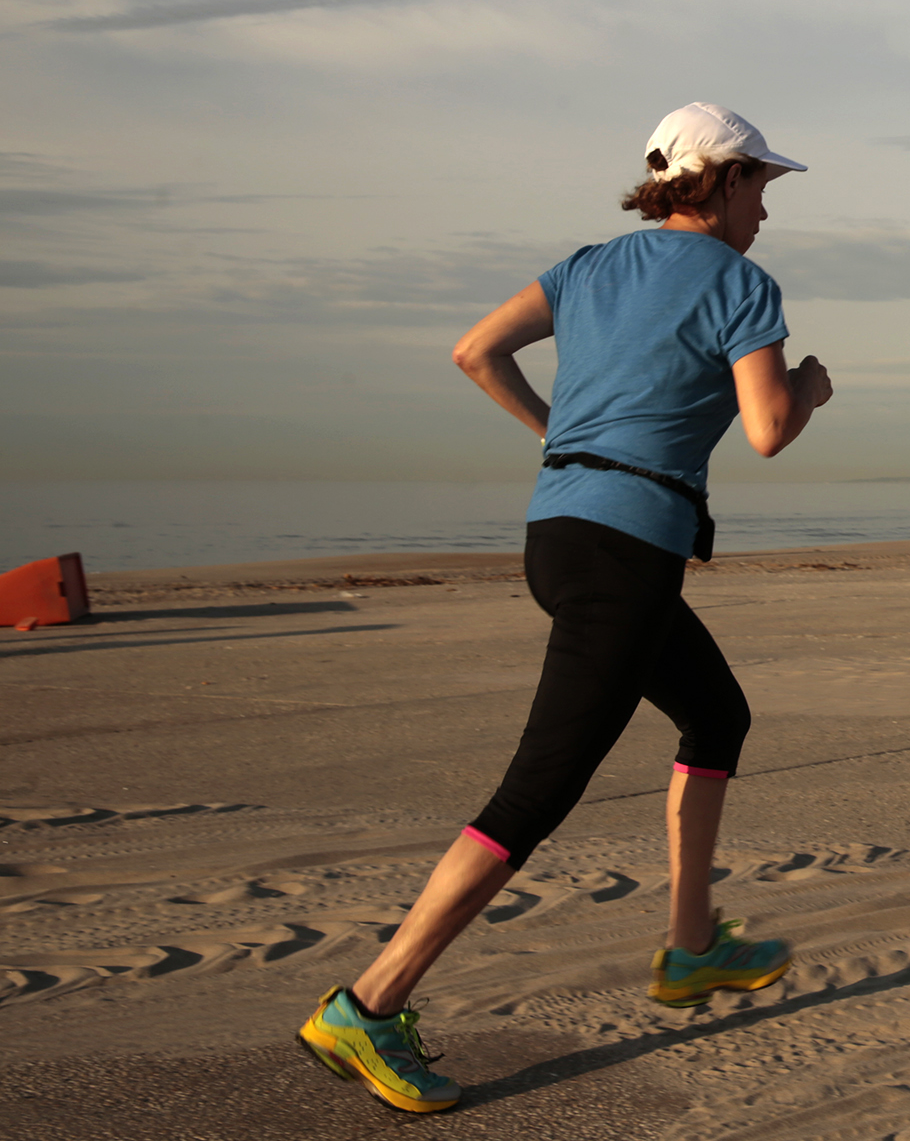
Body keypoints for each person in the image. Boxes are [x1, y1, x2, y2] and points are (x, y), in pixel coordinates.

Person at [297, 102, 836, 1113]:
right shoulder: (741, 283)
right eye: (761, 183)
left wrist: (561, 437)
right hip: (626, 558)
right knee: (536, 791)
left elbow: (474, 351)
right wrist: (808, 386)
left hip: (560, 537)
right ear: (718, 181)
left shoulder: (587, 266)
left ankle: (689, 947)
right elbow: (766, 430)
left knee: (717, 713)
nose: (768, 206)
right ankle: (369, 1002)